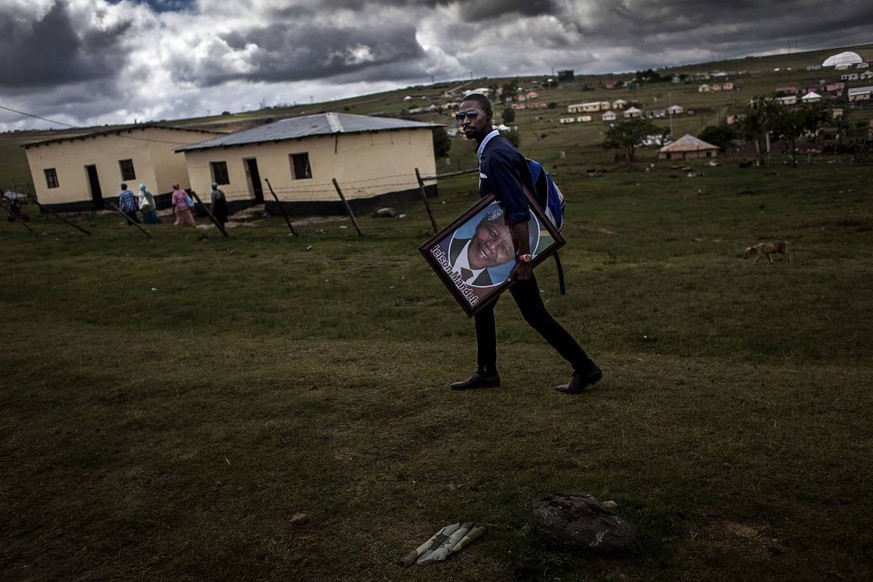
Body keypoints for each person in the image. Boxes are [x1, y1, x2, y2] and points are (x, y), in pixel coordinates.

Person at [450, 93, 601, 394]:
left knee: (533, 312)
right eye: (460, 117)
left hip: (512, 249)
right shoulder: (492, 150)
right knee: (483, 303)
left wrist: (523, 259)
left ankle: (585, 368)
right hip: (508, 246)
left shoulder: (495, 155)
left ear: (488, 116)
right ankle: (487, 371)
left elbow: (517, 209)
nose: (465, 121)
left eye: (472, 115)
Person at [450, 206, 518, 287]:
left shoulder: (488, 290)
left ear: (508, 260)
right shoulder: (441, 247)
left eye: (504, 249)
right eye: (492, 233)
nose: (491, 247)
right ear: (480, 225)